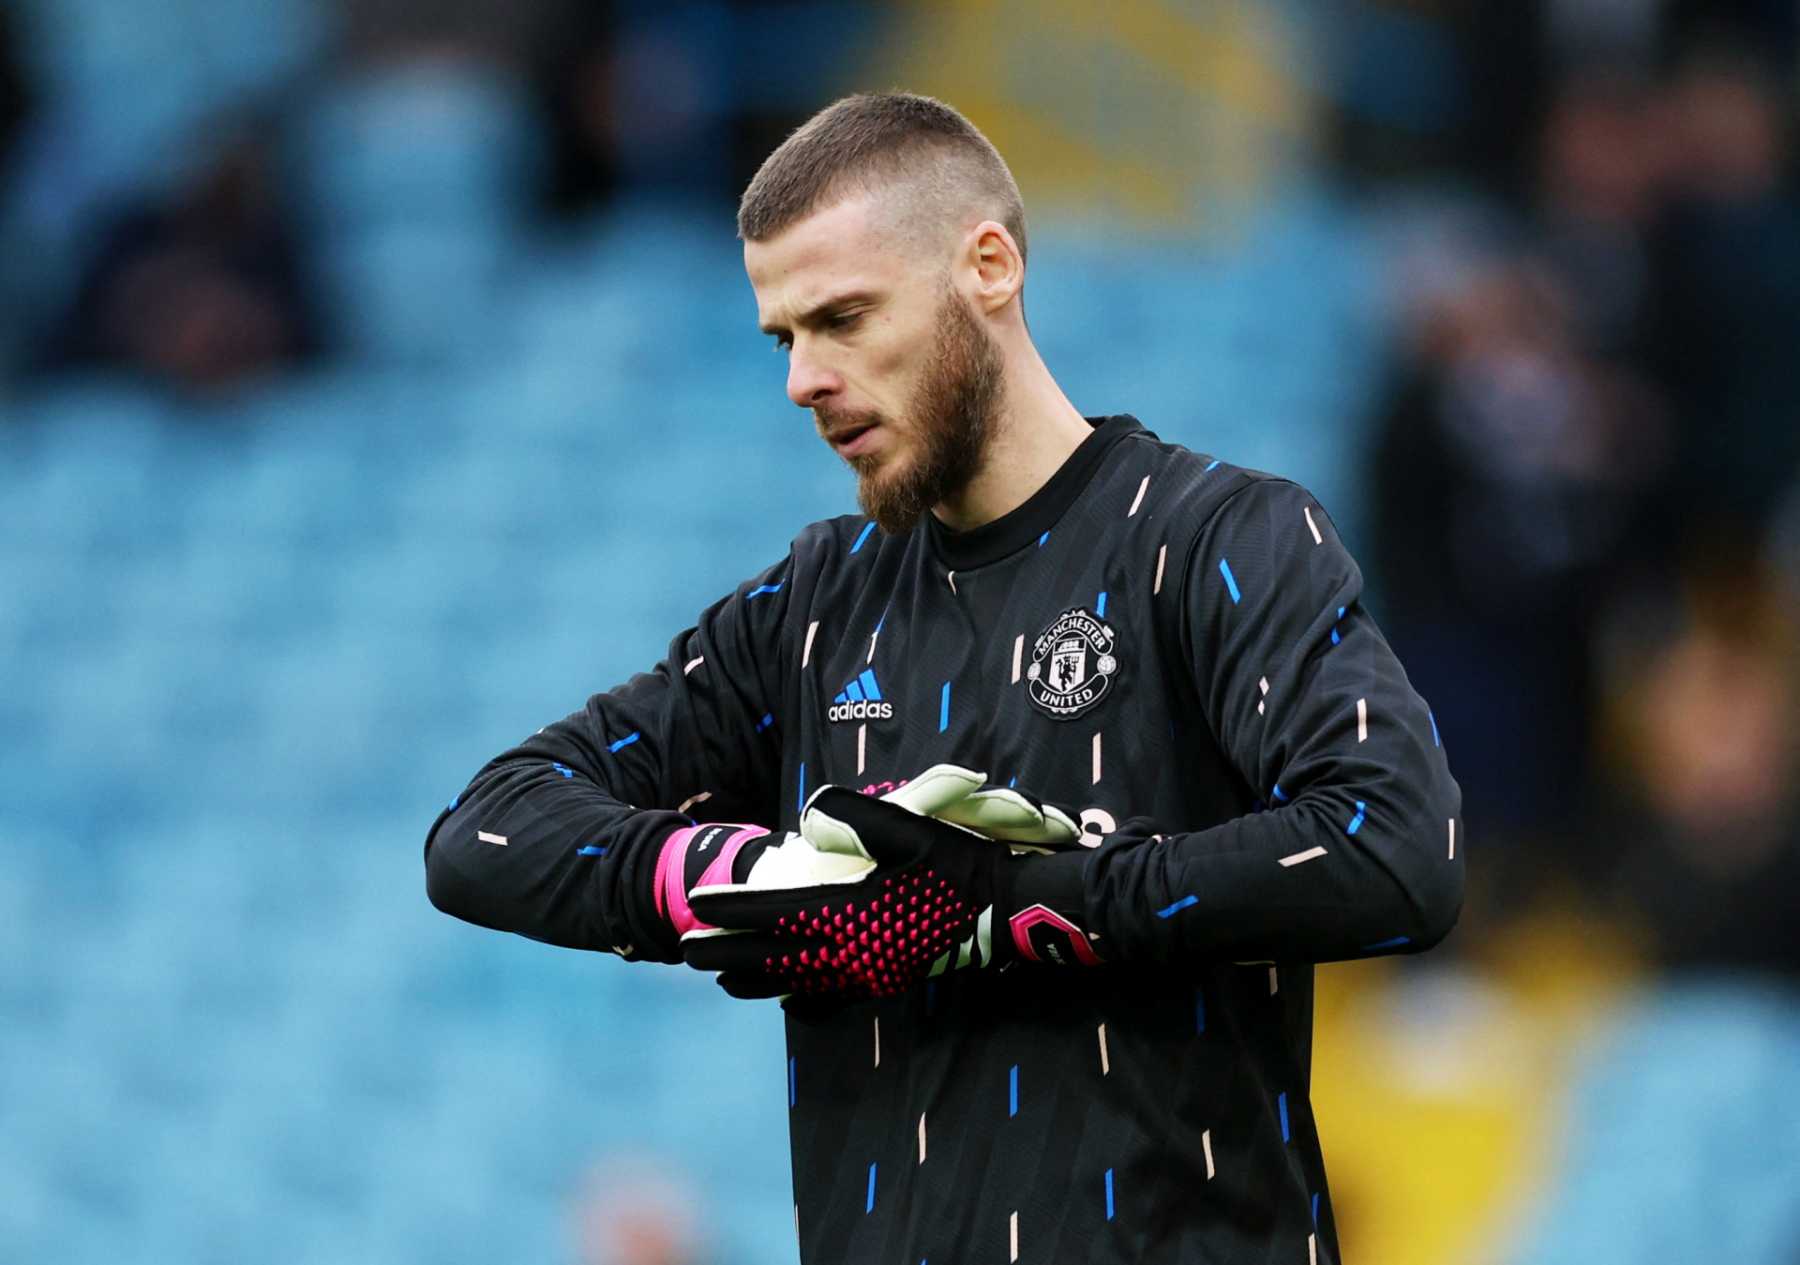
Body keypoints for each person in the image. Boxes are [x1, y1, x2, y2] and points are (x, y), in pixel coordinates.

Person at [424, 92, 1464, 1263]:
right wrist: (748, 877)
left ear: (988, 266)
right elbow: (485, 835)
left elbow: (1395, 845)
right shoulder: (811, 609)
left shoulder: (1217, 538)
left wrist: (1027, 904)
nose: (804, 379)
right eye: (786, 337)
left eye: (844, 318)